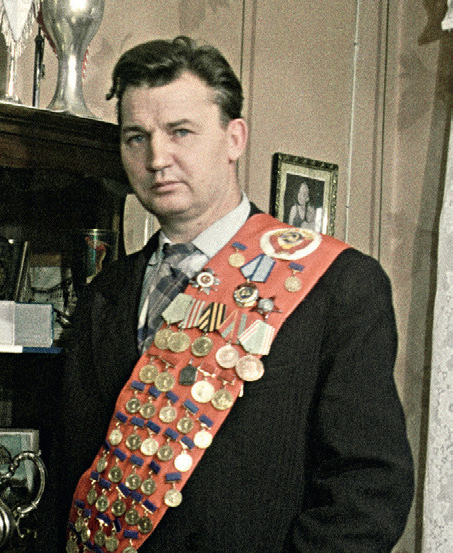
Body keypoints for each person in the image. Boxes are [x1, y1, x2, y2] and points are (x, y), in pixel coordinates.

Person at [56, 36, 414, 552]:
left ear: (234, 139)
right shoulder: (104, 294)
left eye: (181, 132)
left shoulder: (339, 285)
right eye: (136, 137)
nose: (157, 158)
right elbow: (71, 470)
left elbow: (368, 491)